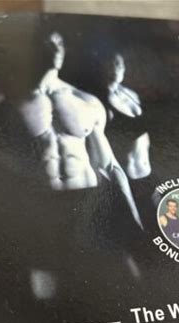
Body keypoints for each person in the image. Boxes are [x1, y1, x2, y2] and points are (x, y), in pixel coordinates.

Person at [18, 32, 142, 228]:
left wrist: (135, 221)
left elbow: (109, 166)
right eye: (48, 43)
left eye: (59, 43)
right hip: (42, 211)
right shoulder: (12, 103)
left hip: (88, 205)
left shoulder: (85, 101)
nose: (55, 48)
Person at [103, 53, 151, 180]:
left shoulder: (132, 94)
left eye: (119, 64)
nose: (117, 68)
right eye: (112, 64)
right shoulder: (102, 102)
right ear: (104, 67)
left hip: (148, 172)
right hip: (129, 176)